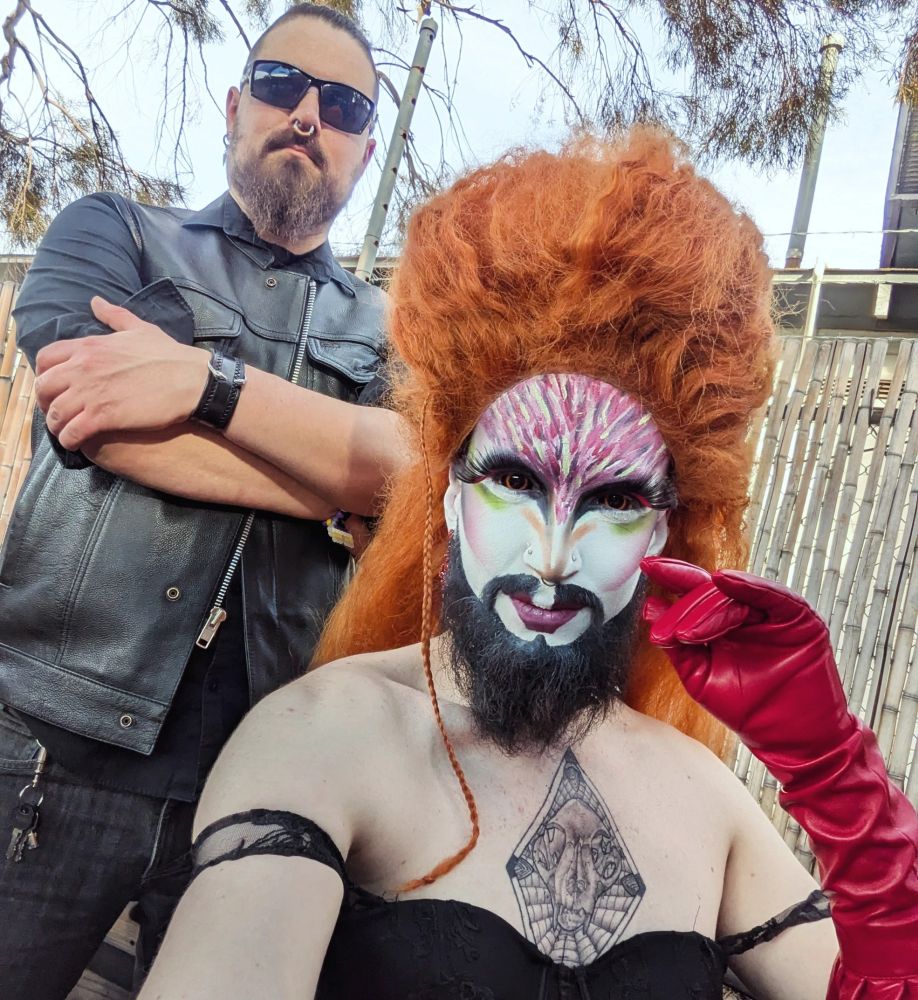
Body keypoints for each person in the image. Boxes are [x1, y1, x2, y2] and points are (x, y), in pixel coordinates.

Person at [152, 133, 914, 997]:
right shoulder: (327, 733)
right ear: (449, 495)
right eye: (516, 482)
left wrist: (832, 768)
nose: (552, 559)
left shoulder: (700, 792)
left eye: (614, 499)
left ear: (663, 533)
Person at [0, 5, 406, 997]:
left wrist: (201, 385)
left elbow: (412, 478)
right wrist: (328, 485)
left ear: (365, 149)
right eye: (282, 85)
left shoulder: (392, 334)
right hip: (49, 748)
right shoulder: (116, 231)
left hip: (257, 784)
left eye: (343, 105)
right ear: (234, 107)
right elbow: (94, 414)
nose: (308, 114)